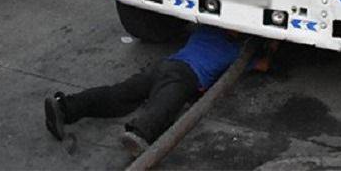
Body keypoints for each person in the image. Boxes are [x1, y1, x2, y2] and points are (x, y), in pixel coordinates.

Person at [44, 25, 242, 157]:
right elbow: (262, 64)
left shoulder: (205, 30)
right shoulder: (236, 51)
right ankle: (140, 134)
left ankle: (65, 107)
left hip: (162, 66)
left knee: (120, 94)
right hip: (184, 75)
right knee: (165, 104)